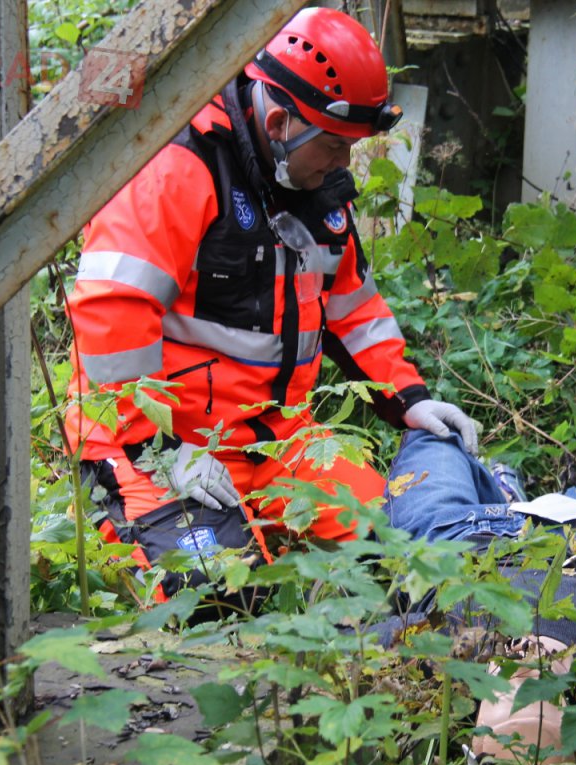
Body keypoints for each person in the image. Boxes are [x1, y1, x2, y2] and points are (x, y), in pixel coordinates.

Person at [63, 8, 478, 601]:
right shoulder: (175, 164)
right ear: (280, 122)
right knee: (217, 602)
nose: (344, 164)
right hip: (152, 445)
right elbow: (113, 313)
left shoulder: (312, 183)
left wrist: (409, 399)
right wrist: (159, 449)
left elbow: (353, 310)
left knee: (405, 552)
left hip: (279, 438)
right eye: (334, 146)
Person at [380, 428, 576, 765]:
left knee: (431, 433)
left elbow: (356, 645)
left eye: (507, 686)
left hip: (453, 534)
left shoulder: (443, 655)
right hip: (574, 545)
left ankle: (504, 489)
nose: (526, 663)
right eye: (535, 691)